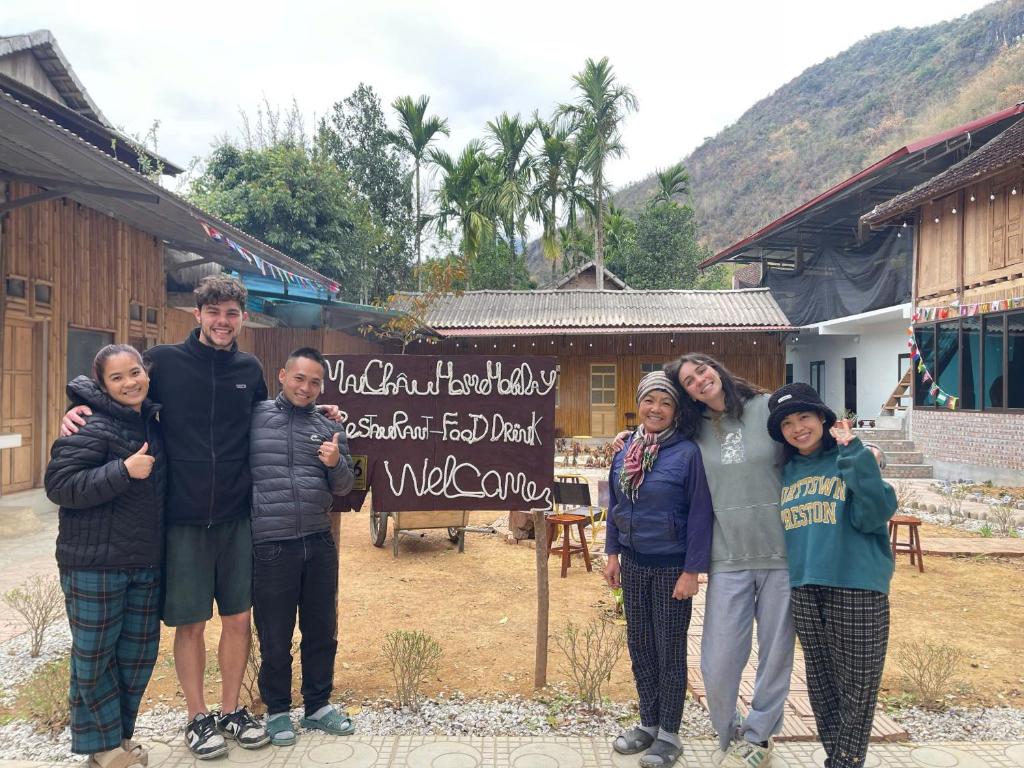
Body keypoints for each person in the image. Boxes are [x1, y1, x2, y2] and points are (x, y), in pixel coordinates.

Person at [62, 275, 270, 759]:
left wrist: (319, 412)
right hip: (181, 516)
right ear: (196, 315)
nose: (222, 321)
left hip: (236, 514)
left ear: (242, 317)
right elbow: (118, 388)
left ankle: (231, 710)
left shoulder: (250, 368)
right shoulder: (164, 361)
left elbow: (269, 418)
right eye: (213, 312)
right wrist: (75, 409)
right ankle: (197, 717)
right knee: (190, 623)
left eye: (231, 313)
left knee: (239, 619)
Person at [615, 353, 792, 768]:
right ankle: (728, 729)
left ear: (715, 369)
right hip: (727, 556)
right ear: (688, 396)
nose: (699, 381)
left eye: (701, 371)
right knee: (717, 661)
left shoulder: (766, 407)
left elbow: (807, 438)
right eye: (689, 382)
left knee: (775, 655)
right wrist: (626, 438)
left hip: (782, 553)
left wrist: (865, 451)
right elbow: (656, 434)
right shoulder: (693, 432)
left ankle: (759, 737)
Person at [45, 345, 166, 768]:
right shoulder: (88, 424)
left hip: (143, 563)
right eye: (117, 378)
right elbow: (59, 486)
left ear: (146, 373)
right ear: (102, 385)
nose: (130, 382)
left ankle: (120, 738)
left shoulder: (151, 421)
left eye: (135, 372)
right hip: (93, 564)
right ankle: (101, 749)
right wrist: (122, 471)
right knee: (94, 657)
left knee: (137, 656)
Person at [766, 383, 897, 768]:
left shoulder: (850, 457)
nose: (797, 428)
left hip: (855, 586)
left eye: (804, 417)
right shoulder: (787, 471)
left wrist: (856, 454)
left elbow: (875, 514)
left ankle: (845, 762)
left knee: (857, 688)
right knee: (822, 686)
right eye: (787, 423)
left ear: (823, 418)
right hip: (805, 587)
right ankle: (835, 758)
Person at [604, 372, 713, 768]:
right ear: (639, 404)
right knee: (640, 646)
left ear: (676, 410)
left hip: (671, 567)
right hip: (633, 563)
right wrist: (612, 554)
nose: (656, 409)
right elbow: (615, 505)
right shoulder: (625, 450)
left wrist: (692, 571)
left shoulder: (687, 453)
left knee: (669, 650)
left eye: (665, 402)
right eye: (649, 400)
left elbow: (701, 514)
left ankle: (669, 733)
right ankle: (648, 724)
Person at [249, 348, 355, 746]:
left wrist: (335, 462)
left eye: (314, 382)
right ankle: (277, 710)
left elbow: (345, 487)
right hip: (271, 544)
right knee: (275, 635)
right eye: (299, 378)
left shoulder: (329, 426)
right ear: (282, 376)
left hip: (318, 540)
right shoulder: (254, 417)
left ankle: (318, 706)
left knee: (322, 629)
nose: (306, 388)